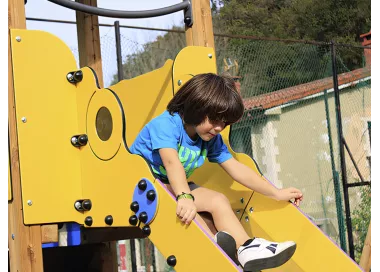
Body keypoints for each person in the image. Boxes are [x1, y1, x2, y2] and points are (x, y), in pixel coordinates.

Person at [130, 73, 303, 271]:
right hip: (144, 187)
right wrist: (184, 196)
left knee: (218, 200)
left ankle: (246, 247)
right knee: (190, 212)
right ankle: (212, 248)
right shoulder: (166, 125)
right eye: (214, 119)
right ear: (195, 106)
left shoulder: (209, 137)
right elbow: (171, 162)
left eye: (225, 123)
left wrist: (276, 193)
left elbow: (236, 169)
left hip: (170, 184)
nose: (219, 127)